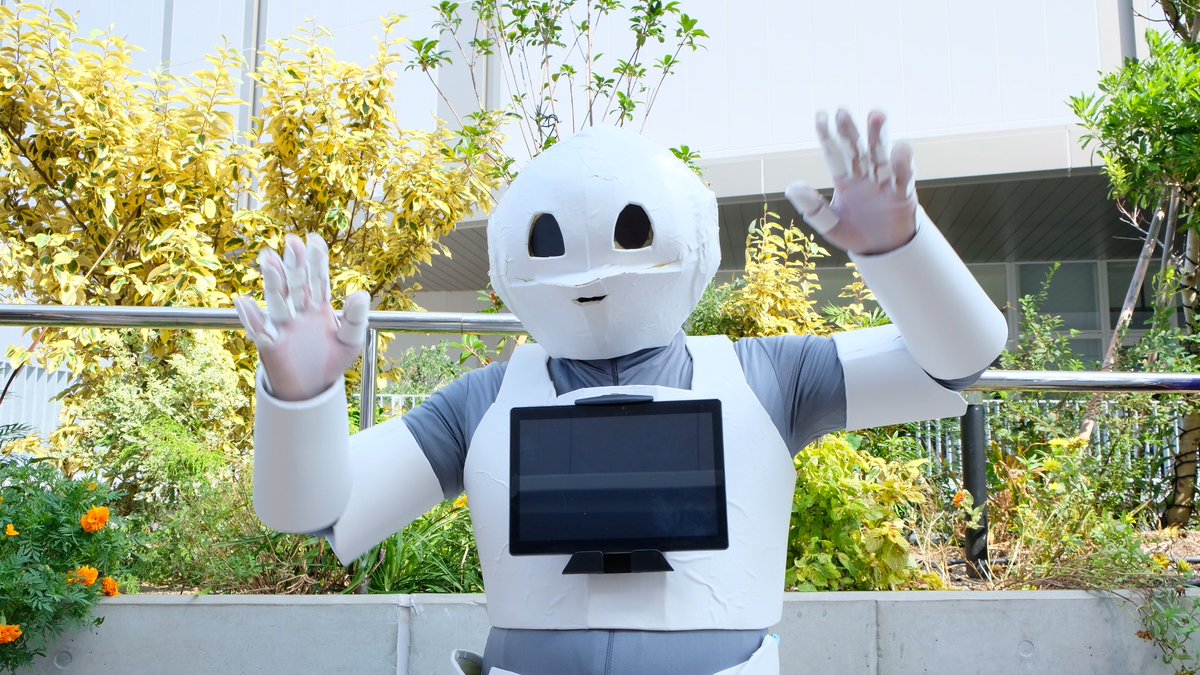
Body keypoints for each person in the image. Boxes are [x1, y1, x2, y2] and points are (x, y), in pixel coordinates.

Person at [234, 110, 1008, 675]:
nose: (590, 269)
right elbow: (319, 512)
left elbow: (955, 362)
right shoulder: (482, 403)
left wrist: (901, 250)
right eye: (547, 239)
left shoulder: (769, 376)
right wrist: (300, 397)